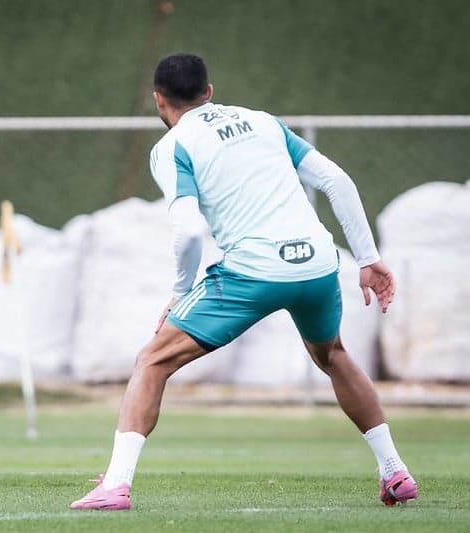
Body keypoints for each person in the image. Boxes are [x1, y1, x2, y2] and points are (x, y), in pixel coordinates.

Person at [70, 53, 417, 510]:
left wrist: (180, 293)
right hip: (316, 264)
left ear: (158, 100)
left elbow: (188, 230)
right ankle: (394, 470)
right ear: (209, 92)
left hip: (253, 272)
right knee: (333, 355)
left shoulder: (173, 146)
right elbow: (337, 180)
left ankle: (115, 485)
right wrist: (368, 259)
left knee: (152, 361)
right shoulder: (264, 122)